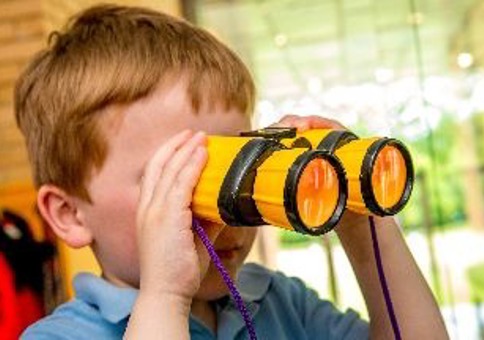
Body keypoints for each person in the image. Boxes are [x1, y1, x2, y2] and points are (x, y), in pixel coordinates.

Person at [15, 4, 448, 339]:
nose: (225, 211)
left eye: (240, 166)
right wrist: (165, 299)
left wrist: (366, 224)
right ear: (70, 213)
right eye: (179, 178)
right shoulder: (58, 335)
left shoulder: (277, 301)